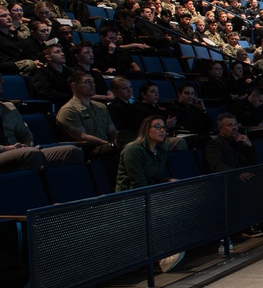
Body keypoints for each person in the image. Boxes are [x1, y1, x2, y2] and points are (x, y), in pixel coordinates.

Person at [115, 114, 183, 272]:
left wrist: (168, 181)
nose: (162, 131)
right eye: (157, 127)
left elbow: (157, 178)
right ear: (146, 130)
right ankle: (160, 256)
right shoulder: (133, 150)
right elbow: (139, 183)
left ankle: (169, 250)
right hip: (130, 197)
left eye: (163, 127)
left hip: (149, 192)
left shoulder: (160, 150)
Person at [0, 78, 84, 171]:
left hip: (20, 150)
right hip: (4, 152)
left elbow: (25, 133)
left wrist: (26, 145)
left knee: (72, 152)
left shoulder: (8, 107)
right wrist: (6, 148)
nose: (2, 81)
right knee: (31, 154)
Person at [55, 69, 119, 159]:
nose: (93, 85)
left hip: (108, 145)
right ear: (74, 86)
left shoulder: (101, 107)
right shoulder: (69, 110)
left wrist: (116, 142)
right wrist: (110, 144)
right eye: (87, 82)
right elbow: (83, 137)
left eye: (93, 81)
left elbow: (112, 130)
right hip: (89, 150)